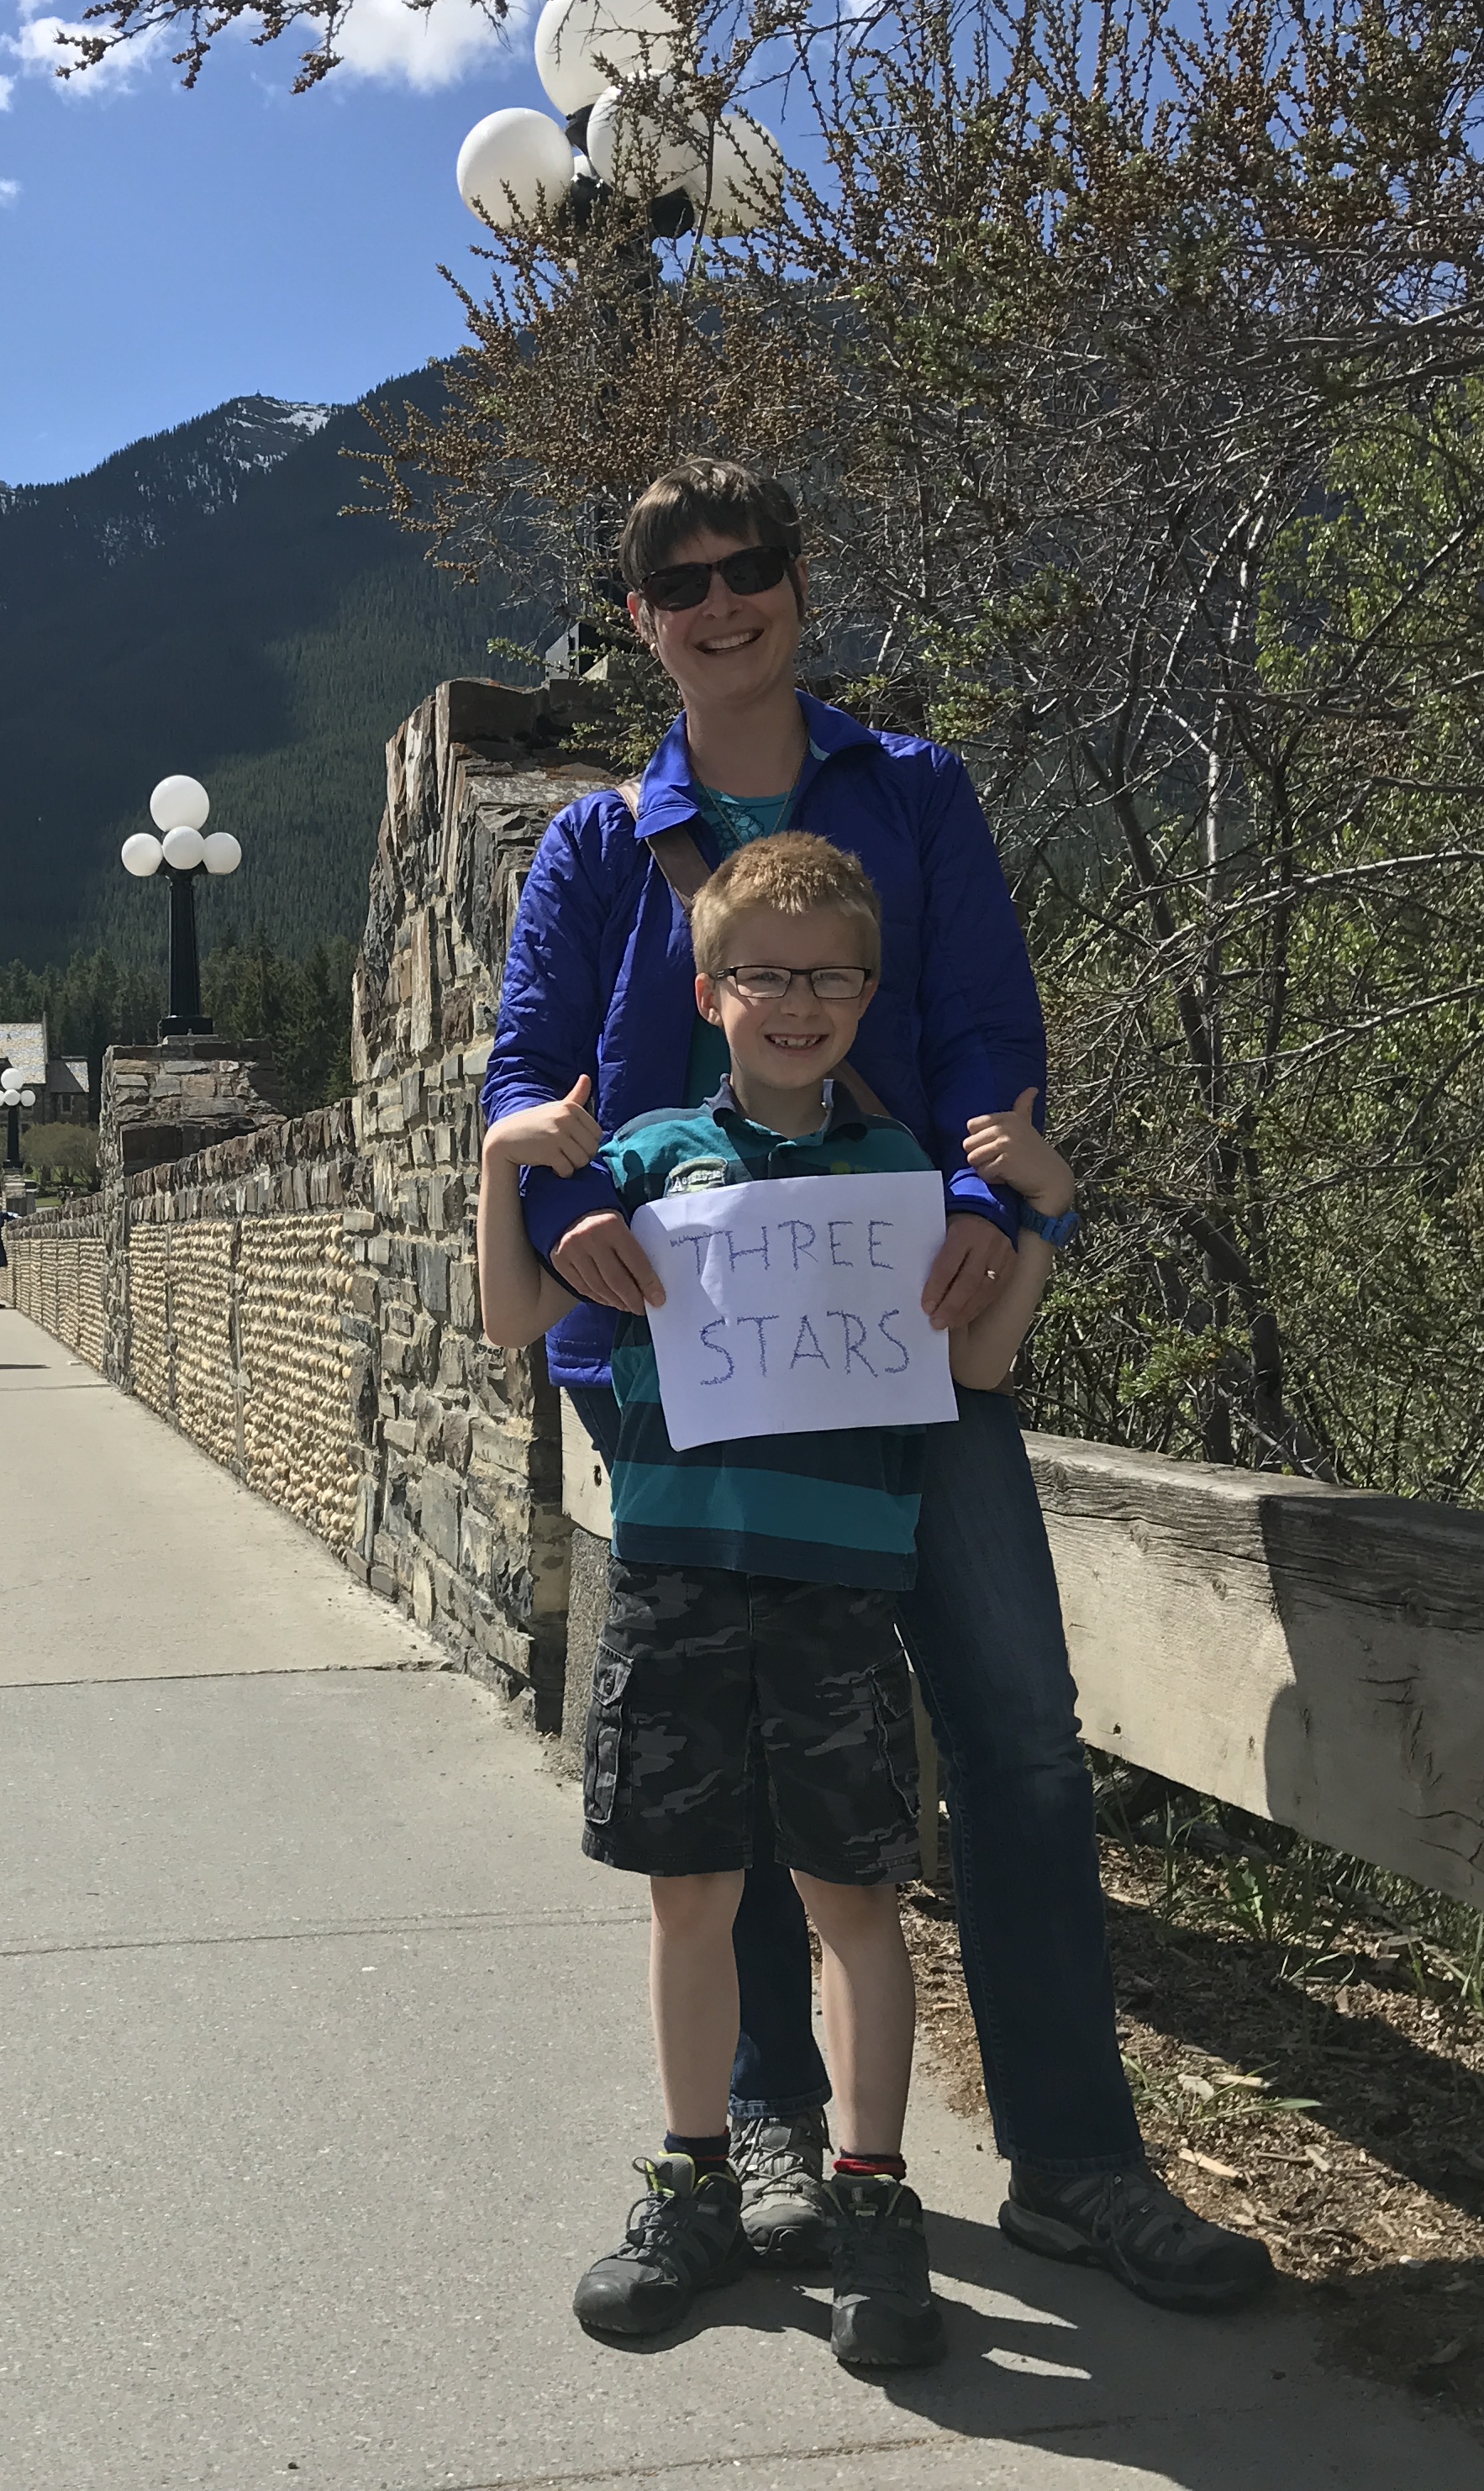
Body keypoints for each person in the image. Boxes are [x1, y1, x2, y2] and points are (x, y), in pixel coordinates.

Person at [483, 459, 1269, 2316]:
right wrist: (574, 1214)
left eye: (748, 567)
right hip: (679, 1358)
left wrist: (991, 1210)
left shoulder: (913, 793)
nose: (720, 601)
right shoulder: (597, 846)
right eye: (681, 581)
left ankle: (1074, 2158)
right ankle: (764, 2138)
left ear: (797, 582)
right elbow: (530, 1073)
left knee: (1015, 1735)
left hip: (900, 1328)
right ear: (639, 619)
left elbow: (990, 1032)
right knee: (738, 1760)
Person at [480, 833, 1076, 2366]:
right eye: (764, 975)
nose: (796, 1003)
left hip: (837, 1593)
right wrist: (506, 1168)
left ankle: (870, 2198)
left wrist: (1041, 1217)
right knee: (689, 1895)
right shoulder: (649, 1158)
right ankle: (694, 2182)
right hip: (677, 1577)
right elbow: (514, 1315)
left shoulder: (900, 1175)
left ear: (867, 995)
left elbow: (977, 1360)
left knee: (852, 1902)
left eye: (828, 978)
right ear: (710, 992)